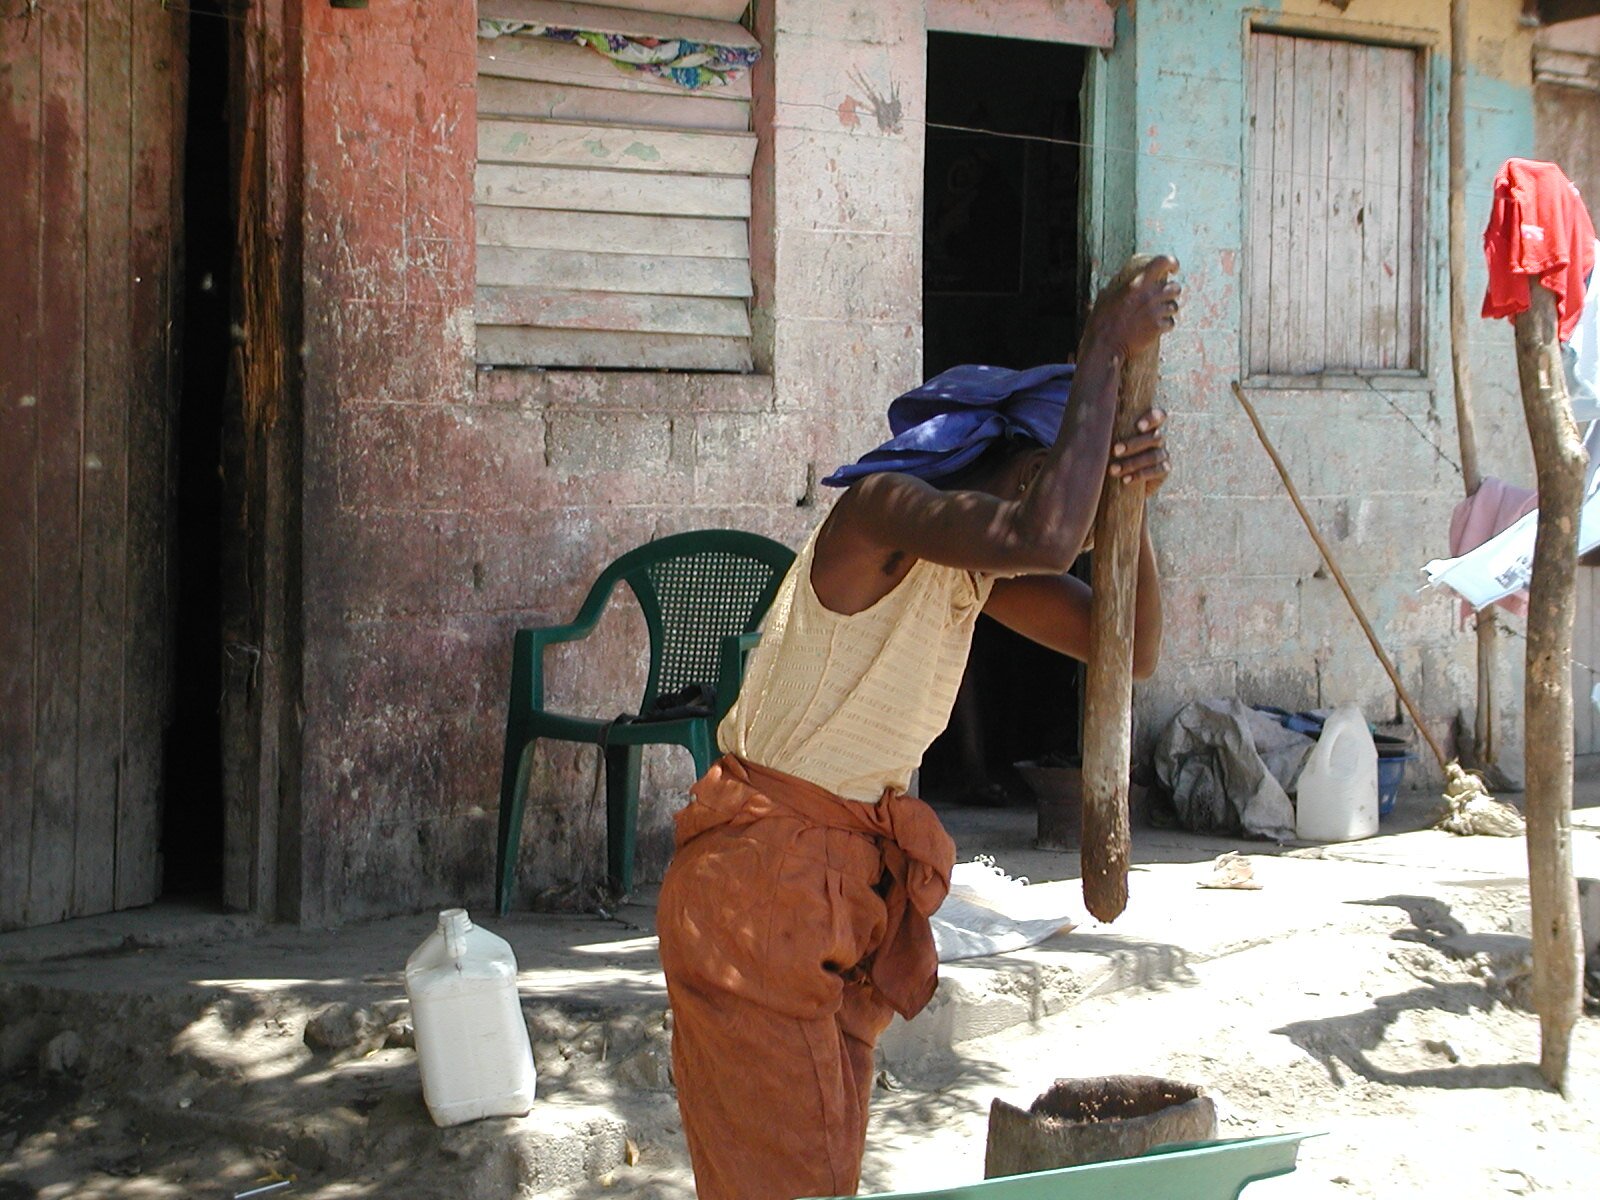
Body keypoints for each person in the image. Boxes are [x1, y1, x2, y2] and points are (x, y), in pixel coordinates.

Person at [655, 258, 1181, 1200]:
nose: (1084, 533)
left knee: (812, 1173)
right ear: (1030, 473)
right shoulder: (883, 511)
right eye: (1080, 500)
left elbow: (1129, 647)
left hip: (831, 895)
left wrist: (1131, 507)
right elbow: (1043, 537)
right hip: (760, 890)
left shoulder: (971, 571)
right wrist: (1104, 346)